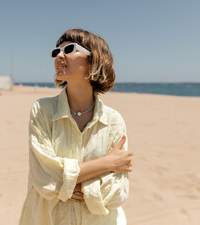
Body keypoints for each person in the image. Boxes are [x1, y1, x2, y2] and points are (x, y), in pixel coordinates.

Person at [19, 29, 133, 225]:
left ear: (94, 58)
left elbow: (116, 193)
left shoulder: (114, 120)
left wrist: (67, 187)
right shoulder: (42, 111)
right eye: (56, 52)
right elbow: (45, 180)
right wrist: (106, 163)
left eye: (69, 49)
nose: (59, 56)